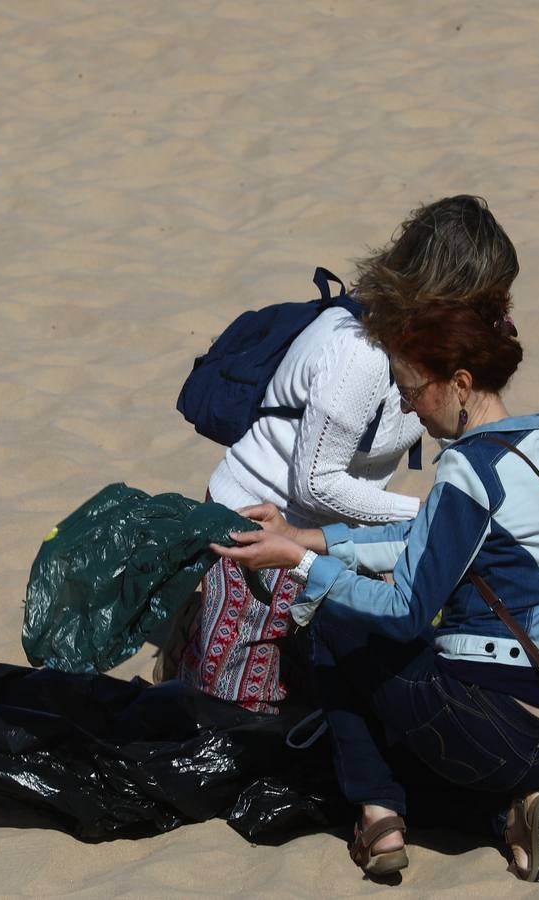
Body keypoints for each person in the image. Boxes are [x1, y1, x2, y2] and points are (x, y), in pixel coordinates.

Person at [212, 296, 539, 882]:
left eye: (414, 391)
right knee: (411, 702)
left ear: (460, 384)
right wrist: (306, 538)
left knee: (340, 621)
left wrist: (304, 569)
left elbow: (406, 610)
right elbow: (424, 537)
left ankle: (379, 818)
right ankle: (515, 810)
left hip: (491, 728)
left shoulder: (470, 470)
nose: (411, 408)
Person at [171, 196, 521, 714]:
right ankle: (188, 649)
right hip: (255, 523)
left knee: (335, 690)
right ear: (448, 289)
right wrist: (426, 517)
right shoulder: (358, 352)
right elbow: (317, 482)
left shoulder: (426, 347)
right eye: (488, 303)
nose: (496, 317)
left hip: (328, 534)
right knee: (239, 710)